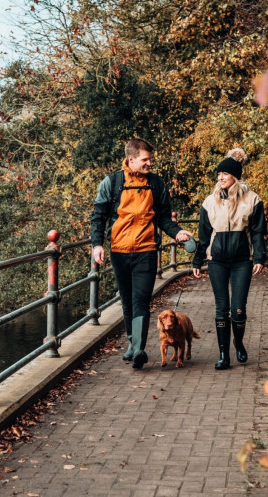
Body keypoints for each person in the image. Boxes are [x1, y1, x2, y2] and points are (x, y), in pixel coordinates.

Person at [91, 138, 193, 369]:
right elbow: (98, 216)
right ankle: (132, 342)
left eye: (150, 159)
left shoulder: (156, 184)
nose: (149, 164)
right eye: (145, 160)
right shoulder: (112, 182)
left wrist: (177, 233)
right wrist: (97, 245)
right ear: (132, 159)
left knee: (141, 300)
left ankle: (139, 349)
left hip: (147, 250)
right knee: (126, 300)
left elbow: (165, 217)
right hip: (119, 250)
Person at [192, 148, 266, 370]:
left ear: (235, 175)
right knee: (221, 308)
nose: (220, 177)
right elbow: (204, 235)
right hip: (217, 261)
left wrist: (259, 257)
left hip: (242, 261)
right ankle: (224, 355)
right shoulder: (209, 202)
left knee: (238, 309)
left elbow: (258, 232)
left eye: (224, 173)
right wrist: (197, 261)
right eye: (218, 174)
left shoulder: (252, 200)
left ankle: (239, 343)